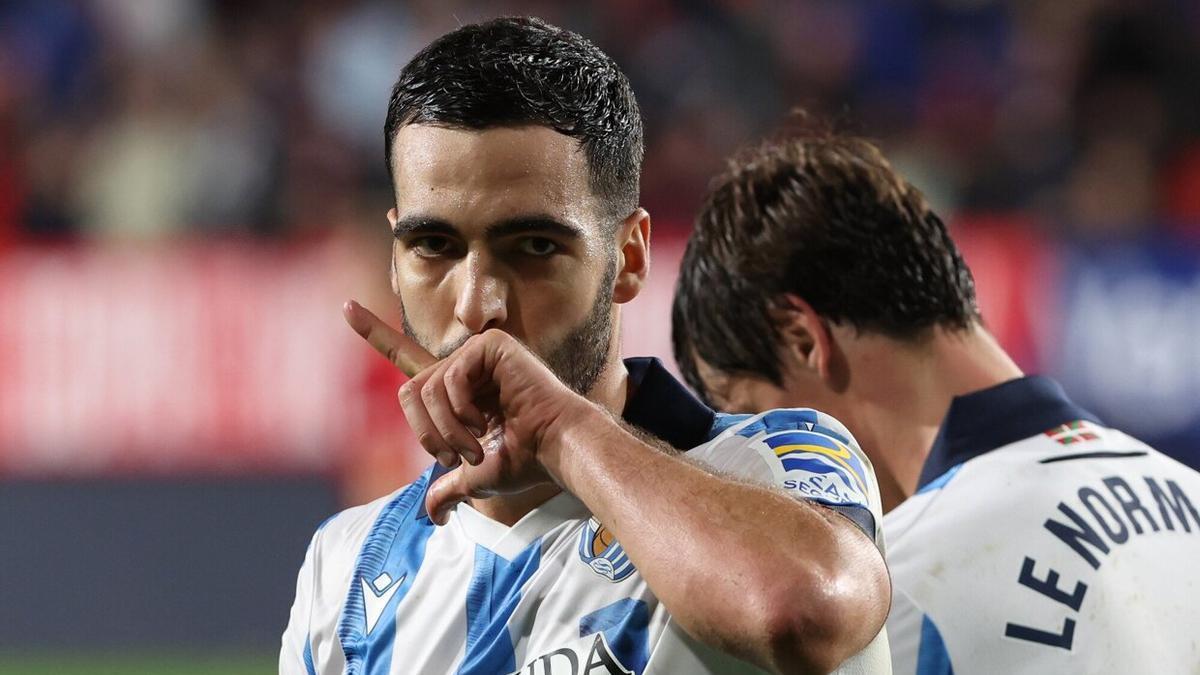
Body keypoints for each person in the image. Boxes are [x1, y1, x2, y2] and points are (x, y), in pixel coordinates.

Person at [280, 19, 893, 675]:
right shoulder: (345, 565)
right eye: (434, 246)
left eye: (535, 247)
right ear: (395, 255)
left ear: (628, 258)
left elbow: (802, 612)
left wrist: (559, 428)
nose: (475, 304)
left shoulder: (779, 465)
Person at [671, 125, 1200, 674]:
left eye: (755, 418)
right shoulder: (1191, 498)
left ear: (803, 339)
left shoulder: (873, 601)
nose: (768, 474)